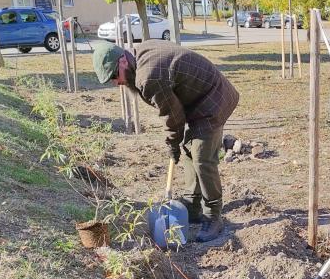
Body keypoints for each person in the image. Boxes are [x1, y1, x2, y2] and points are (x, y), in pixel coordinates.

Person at [92, 40, 239, 242]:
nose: (116, 83)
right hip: (197, 100)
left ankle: (213, 216)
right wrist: (177, 143)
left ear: (123, 61)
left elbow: (172, 116)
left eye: (114, 76)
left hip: (214, 98)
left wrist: (172, 143)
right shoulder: (138, 56)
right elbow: (174, 111)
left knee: (202, 157)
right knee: (189, 150)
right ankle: (192, 205)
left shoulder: (148, 76)